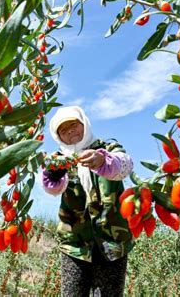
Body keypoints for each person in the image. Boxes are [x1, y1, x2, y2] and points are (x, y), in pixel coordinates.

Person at [42, 106, 134, 296]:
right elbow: (52, 188)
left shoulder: (107, 148)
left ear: (84, 123)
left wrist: (102, 161)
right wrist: (52, 172)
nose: (70, 131)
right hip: (74, 246)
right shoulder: (59, 160)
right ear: (58, 137)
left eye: (74, 124)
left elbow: (125, 165)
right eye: (63, 130)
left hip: (113, 244)